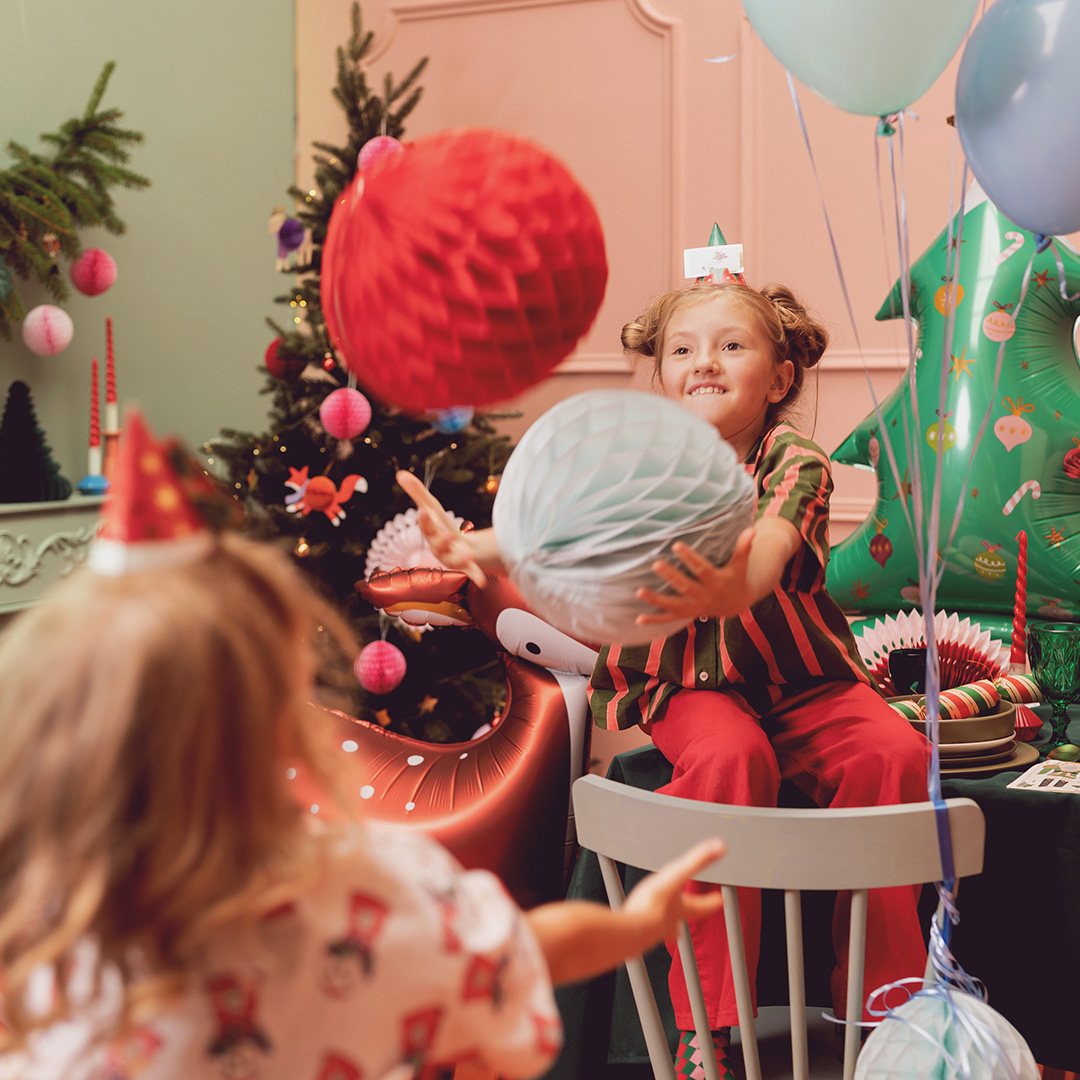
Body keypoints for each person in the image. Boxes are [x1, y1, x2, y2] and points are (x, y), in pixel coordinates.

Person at [0, 411, 726, 1080]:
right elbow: (519, 952)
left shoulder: (35, 927)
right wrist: (635, 925)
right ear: (288, 723)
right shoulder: (362, 894)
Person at [399, 280, 931, 1080]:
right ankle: (708, 1024)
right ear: (663, 375)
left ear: (779, 380)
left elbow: (774, 542)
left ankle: (885, 1002)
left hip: (804, 682)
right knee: (725, 760)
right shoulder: (640, 467)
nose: (704, 363)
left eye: (731, 346)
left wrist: (739, 581)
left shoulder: (796, 459)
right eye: (683, 350)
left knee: (893, 752)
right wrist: (479, 550)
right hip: (690, 682)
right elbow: (562, 534)